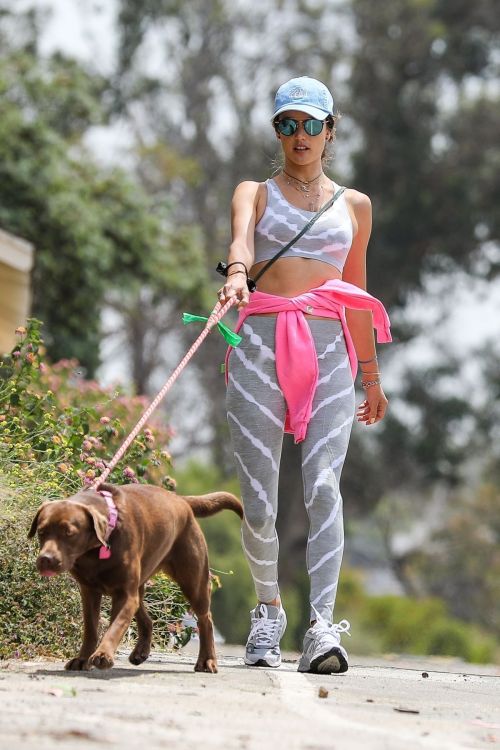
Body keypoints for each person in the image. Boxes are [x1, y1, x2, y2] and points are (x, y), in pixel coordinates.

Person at [218, 76, 391, 674]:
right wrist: (238, 273)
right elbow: (240, 240)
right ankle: (267, 613)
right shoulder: (255, 192)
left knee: (323, 487)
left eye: (311, 124)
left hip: (331, 353)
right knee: (260, 497)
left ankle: (321, 625)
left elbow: (357, 293)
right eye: (287, 124)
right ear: (277, 131)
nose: (299, 135)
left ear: (330, 129)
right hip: (260, 348)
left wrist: (371, 375)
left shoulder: (356, 205)